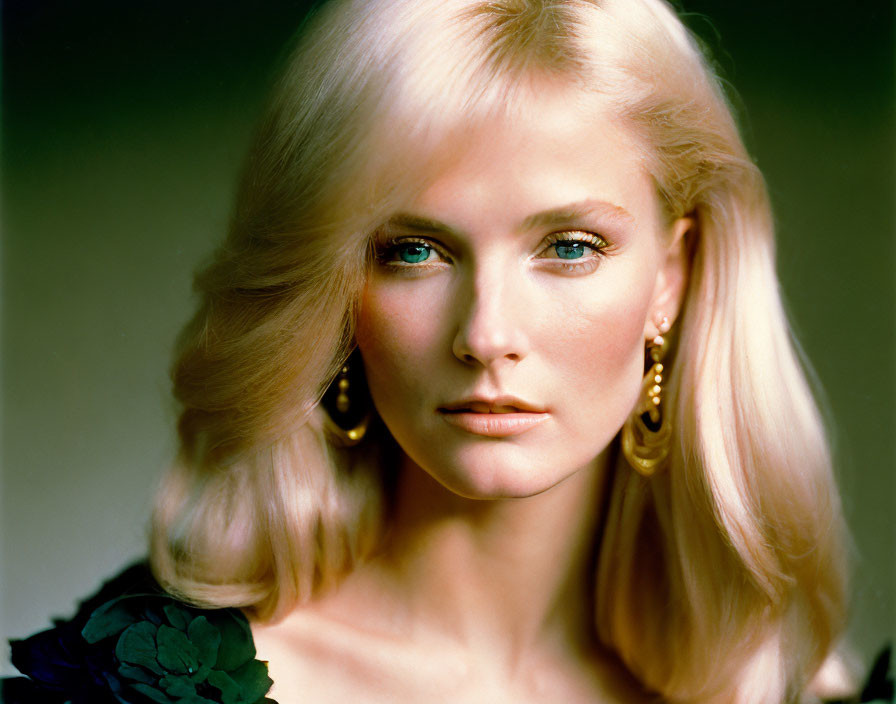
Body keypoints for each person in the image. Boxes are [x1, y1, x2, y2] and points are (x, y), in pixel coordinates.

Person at [4, 0, 860, 702]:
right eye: (413, 251)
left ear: (671, 278)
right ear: (334, 286)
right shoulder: (132, 689)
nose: (486, 334)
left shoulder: (776, 688)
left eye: (568, 246)